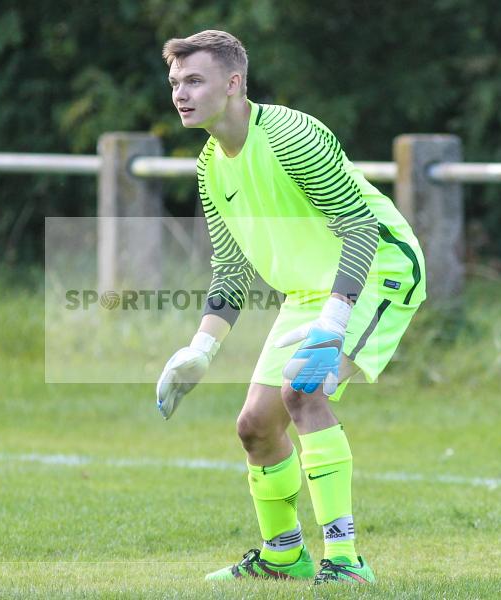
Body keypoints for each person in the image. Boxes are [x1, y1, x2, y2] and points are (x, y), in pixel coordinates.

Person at [156, 30, 426, 585]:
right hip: (311, 291)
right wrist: (200, 349)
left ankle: (346, 563)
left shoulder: (290, 133)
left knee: (303, 389)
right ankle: (282, 557)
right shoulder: (209, 165)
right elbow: (231, 271)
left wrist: (334, 322)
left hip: (379, 269)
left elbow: (360, 228)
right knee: (255, 426)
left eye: (195, 81)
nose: (181, 94)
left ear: (232, 84)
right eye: (176, 82)